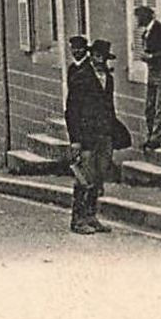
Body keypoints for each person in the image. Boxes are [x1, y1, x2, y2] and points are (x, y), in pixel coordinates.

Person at [64, 35, 115, 234]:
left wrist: (112, 132)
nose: (100, 60)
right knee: (84, 179)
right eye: (96, 56)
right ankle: (77, 220)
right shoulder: (81, 77)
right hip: (86, 136)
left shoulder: (108, 78)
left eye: (103, 57)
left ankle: (91, 216)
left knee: (99, 178)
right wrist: (75, 140)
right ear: (91, 56)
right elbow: (72, 111)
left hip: (104, 135)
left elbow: (109, 108)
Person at [133, 6, 161, 151]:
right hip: (153, 73)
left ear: (146, 17)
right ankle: (151, 135)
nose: (137, 20)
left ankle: (157, 138)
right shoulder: (147, 32)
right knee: (150, 107)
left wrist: (151, 57)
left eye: (138, 17)